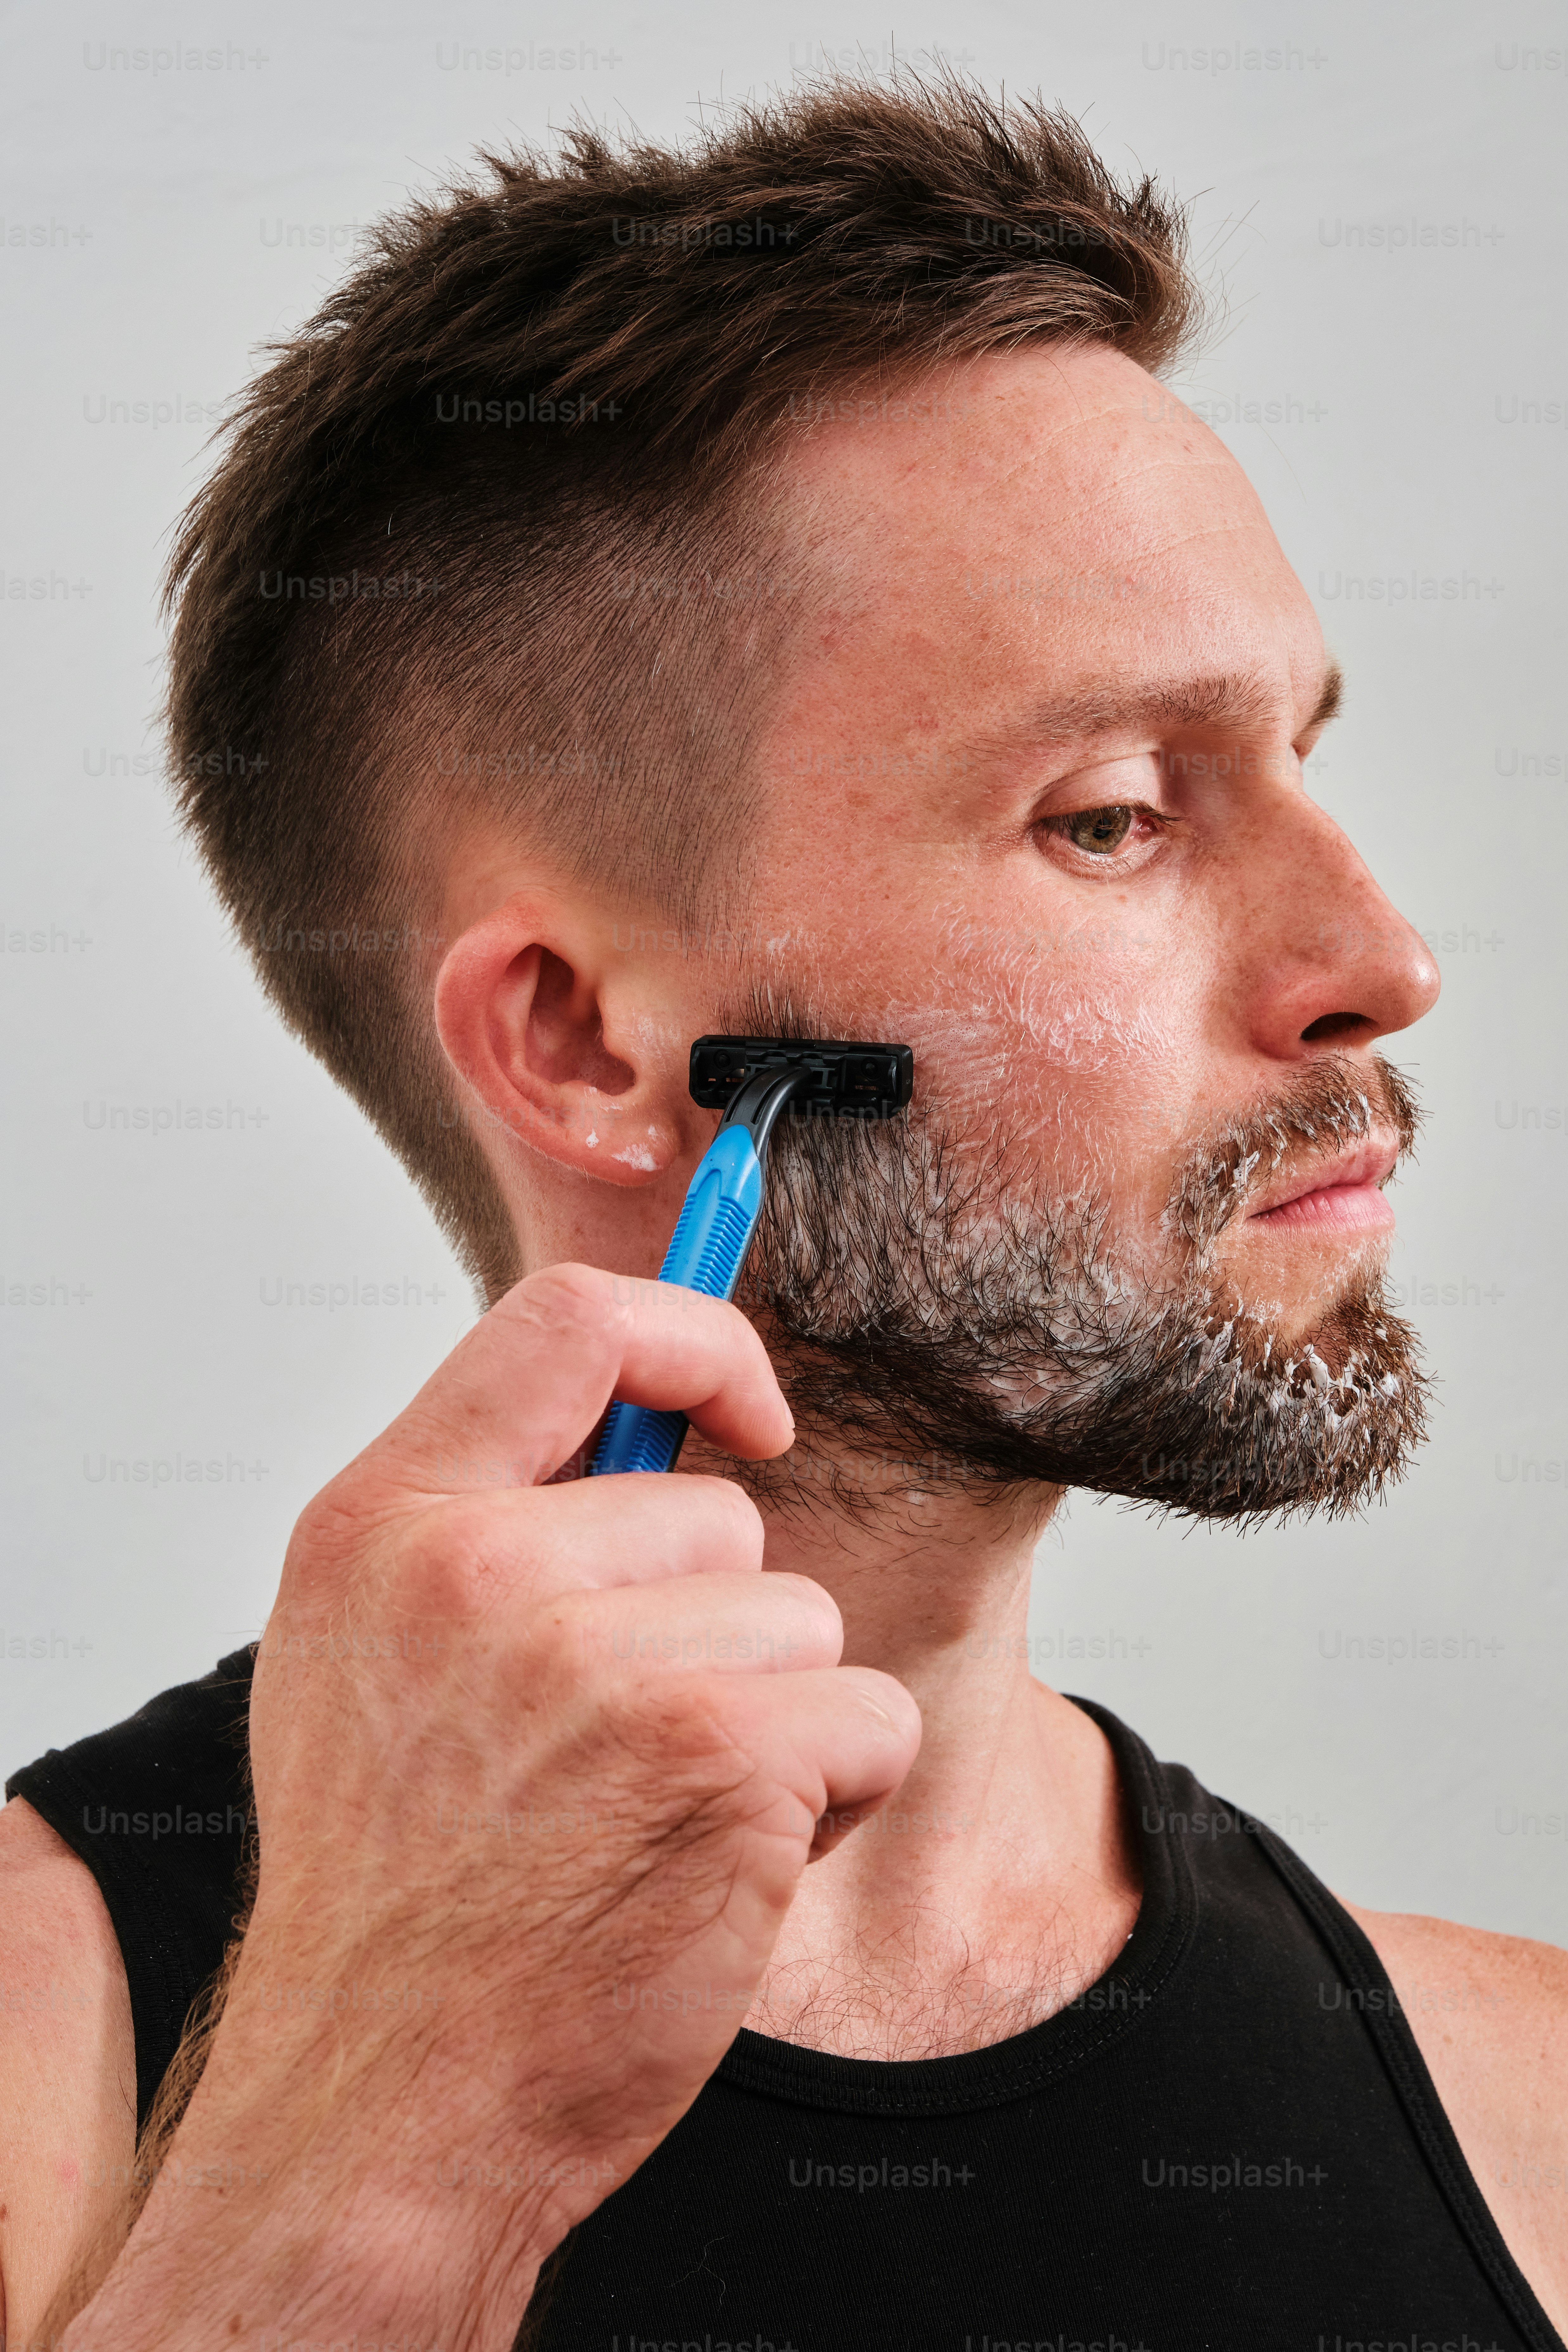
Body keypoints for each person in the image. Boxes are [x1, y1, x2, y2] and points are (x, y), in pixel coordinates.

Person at [3, 75, 1564, 2352]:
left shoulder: (1523, 2115)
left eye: (1297, 758)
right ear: (583, 1044)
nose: (1384, 963)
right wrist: (384, 2152)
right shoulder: (41, 2059)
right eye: (1115, 816)